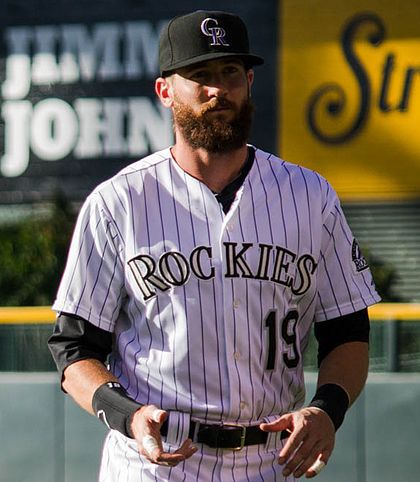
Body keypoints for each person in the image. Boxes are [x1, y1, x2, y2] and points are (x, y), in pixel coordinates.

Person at [48, 9, 380, 481]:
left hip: (272, 459)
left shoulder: (310, 196)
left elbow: (348, 330)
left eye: (229, 73)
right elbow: (73, 348)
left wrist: (327, 409)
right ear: (166, 91)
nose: (217, 89)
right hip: (155, 462)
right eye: (199, 75)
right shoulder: (118, 202)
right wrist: (126, 414)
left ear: (248, 81)